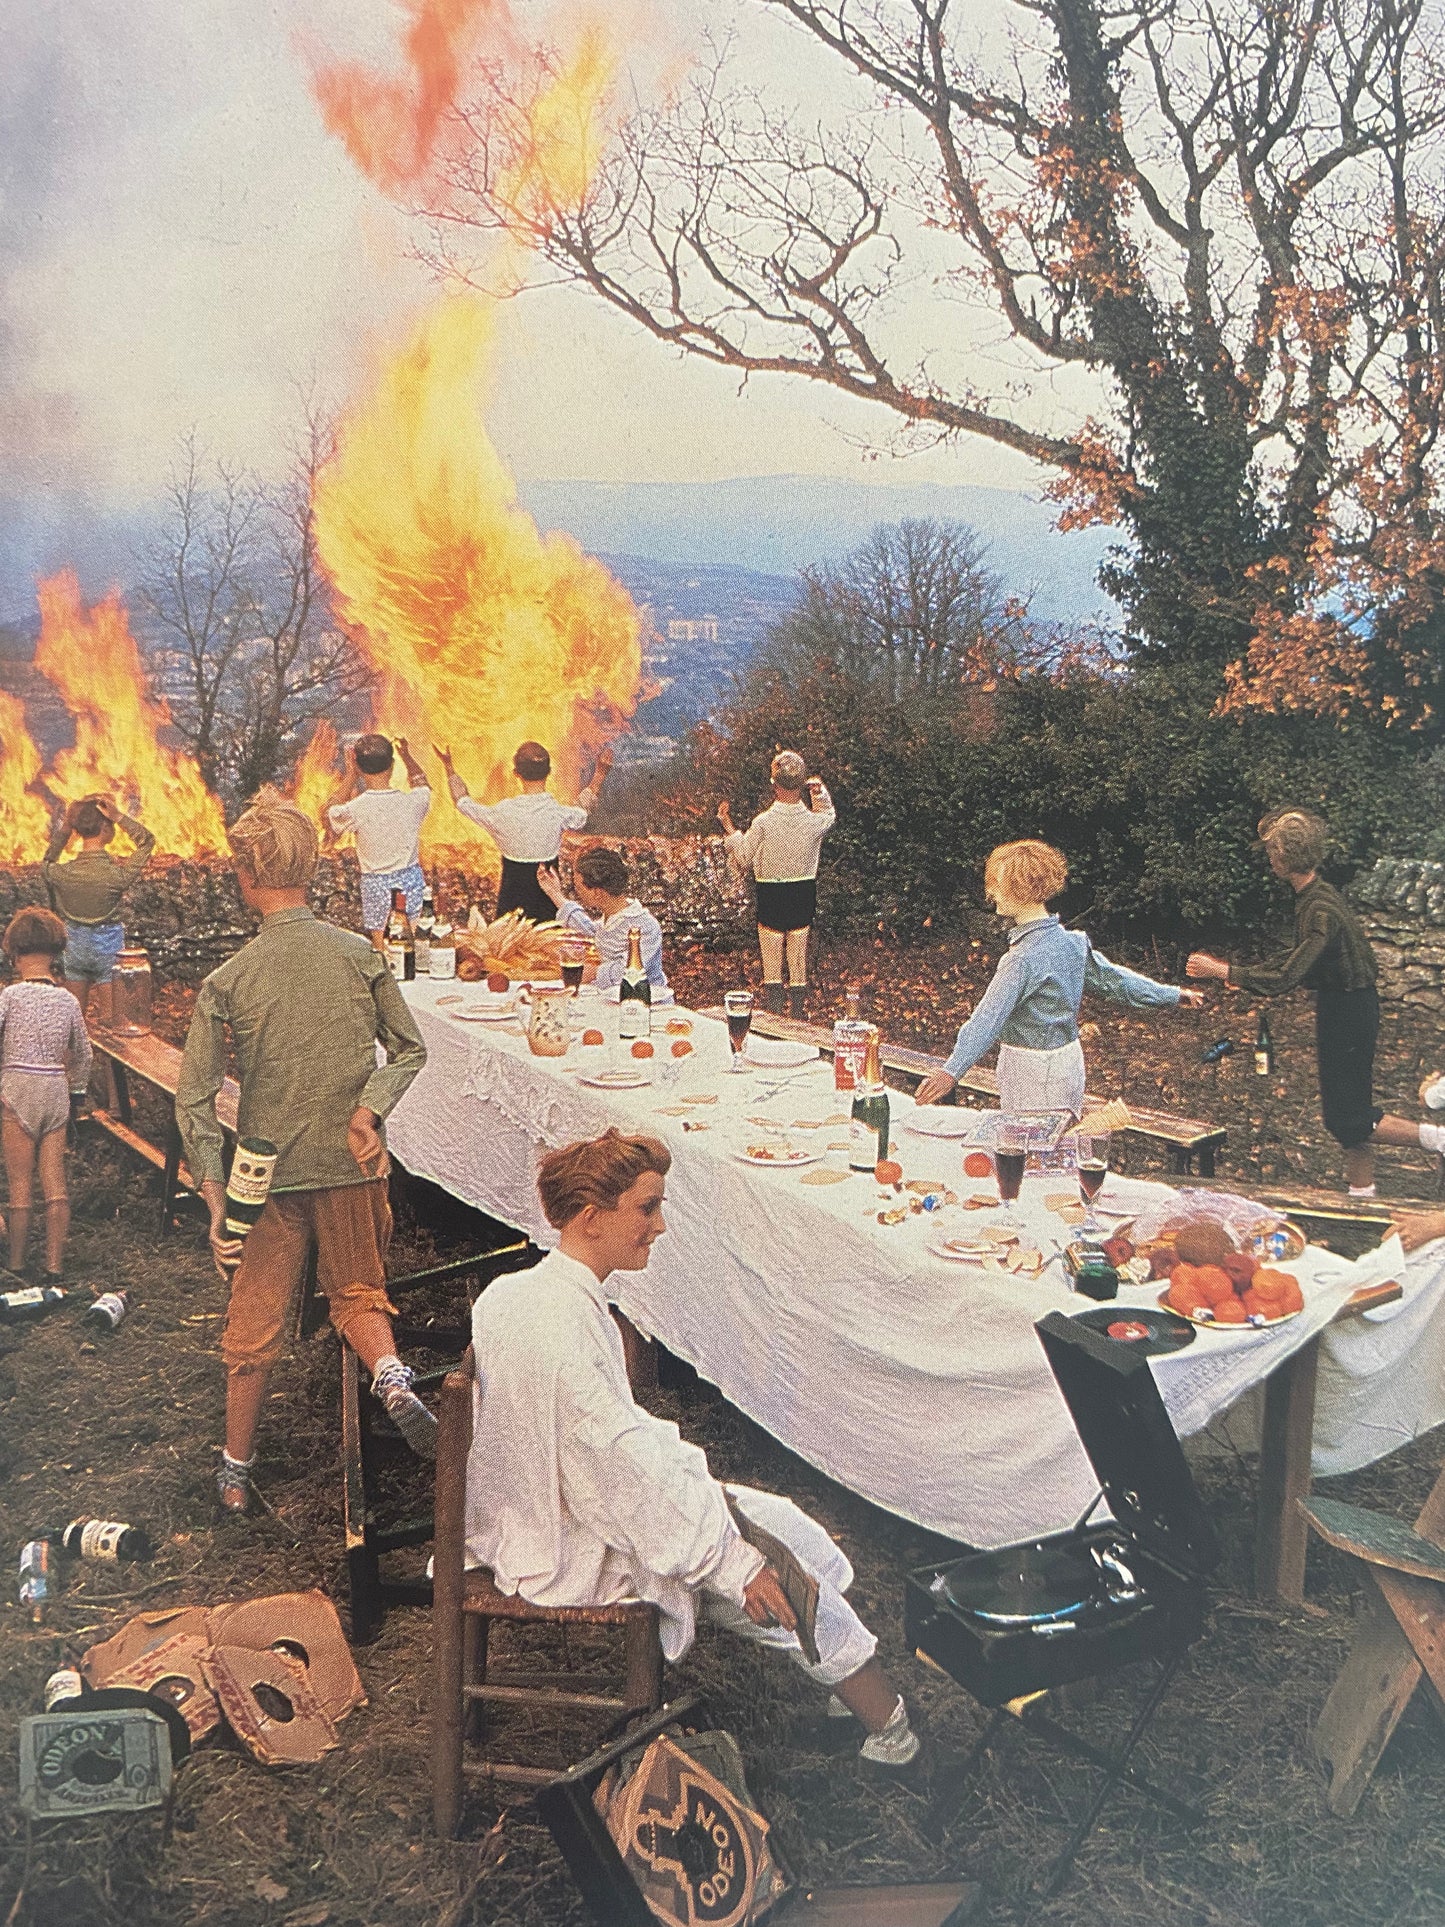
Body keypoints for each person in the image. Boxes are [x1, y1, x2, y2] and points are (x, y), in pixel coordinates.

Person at [464, 1128, 922, 1773]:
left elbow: (609, 1453)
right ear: (592, 1219)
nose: (659, 1226)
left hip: (543, 1505)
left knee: (782, 1519)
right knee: (775, 1563)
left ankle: (842, 1687)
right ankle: (893, 1734)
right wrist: (732, 1563)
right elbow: (613, 1467)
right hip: (565, 1537)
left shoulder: (515, 1293)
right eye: (646, 1208)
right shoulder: (561, 1327)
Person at [175, 787, 434, 1514]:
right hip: (350, 1164)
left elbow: (194, 1099)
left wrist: (214, 1193)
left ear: (244, 878)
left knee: (253, 1319)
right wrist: (368, 1111)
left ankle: (235, 1471)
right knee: (357, 1291)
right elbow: (409, 1049)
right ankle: (390, 1374)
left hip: (266, 1175)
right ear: (313, 870)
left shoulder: (229, 978)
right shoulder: (359, 954)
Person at [1187, 809, 1440, 1197]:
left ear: (1284, 856)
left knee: (1348, 1119)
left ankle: (1438, 1139)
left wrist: (1222, 970)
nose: (1269, 859)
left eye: (1272, 852)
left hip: (1350, 1010)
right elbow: (1296, 957)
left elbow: (1287, 975)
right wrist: (1238, 973)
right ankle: (1361, 1198)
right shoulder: (1314, 896)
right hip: (1342, 1006)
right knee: (1348, 1112)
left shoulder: (1320, 908)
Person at [915, 839, 1203, 1111]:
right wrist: (1174, 994)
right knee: (1061, 1141)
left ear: (1023, 889)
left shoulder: (1021, 959)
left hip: (1029, 1071)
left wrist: (951, 1072)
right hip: (1069, 1064)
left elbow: (987, 1020)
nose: (992, 894)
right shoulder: (1073, 943)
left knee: (1029, 1144)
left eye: (998, 885)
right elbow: (1117, 982)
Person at [0, 909, 91, 1281]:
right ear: (56, 953)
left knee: (20, 1183)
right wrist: (77, 1092)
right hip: (54, 1090)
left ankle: (17, 1263)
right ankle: (55, 1265)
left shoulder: (9, 996)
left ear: (15, 954)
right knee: (55, 1182)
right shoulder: (68, 1001)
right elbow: (83, 1053)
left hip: (17, 1089)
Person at [436, 739, 611, 924]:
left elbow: (462, 802)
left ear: (516, 773)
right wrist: (600, 774)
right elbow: (583, 809)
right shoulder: (557, 813)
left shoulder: (502, 813)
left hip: (511, 905)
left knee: (508, 941)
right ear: (549, 771)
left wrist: (449, 767)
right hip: (548, 901)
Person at [718, 750, 835, 1018]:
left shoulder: (763, 823)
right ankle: (797, 1011)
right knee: (798, 955)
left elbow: (743, 858)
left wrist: (729, 827)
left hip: (771, 893)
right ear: (802, 783)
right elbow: (828, 814)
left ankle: (774, 1009)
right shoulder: (814, 822)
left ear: (774, 783)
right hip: (803, 893)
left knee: (771, 956)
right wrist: (819, 794)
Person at [41, 794, 155, 1030]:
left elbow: (47, 862)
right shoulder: (116, 876)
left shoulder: (62, 873)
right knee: (113, 1021)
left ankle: (74, 1052)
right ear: (105, 827)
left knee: (73, 1019)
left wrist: (66, 828)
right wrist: (120, 816)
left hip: (74, 945)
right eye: (111, 824)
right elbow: (147, 841)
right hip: (108, 948)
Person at [326, 734, 432, 943]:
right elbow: (422, 784)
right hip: (409, 879)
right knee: (412, 941)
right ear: (392, 764)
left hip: (375, 883)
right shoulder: (413, 802)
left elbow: (330, 810)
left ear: (359, 766)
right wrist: (406, 756)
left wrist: (351, 775)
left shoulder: (356, 809)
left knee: (380, 942)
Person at [536, 846, 668, 993]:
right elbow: (591, 930)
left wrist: (594, 972)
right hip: (614, 995)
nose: (576, 892)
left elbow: (631, 971)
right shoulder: (612, 917)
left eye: (579, 888)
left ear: (597, 893)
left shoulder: (645, 926)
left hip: (648, 998)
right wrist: (554, 893)